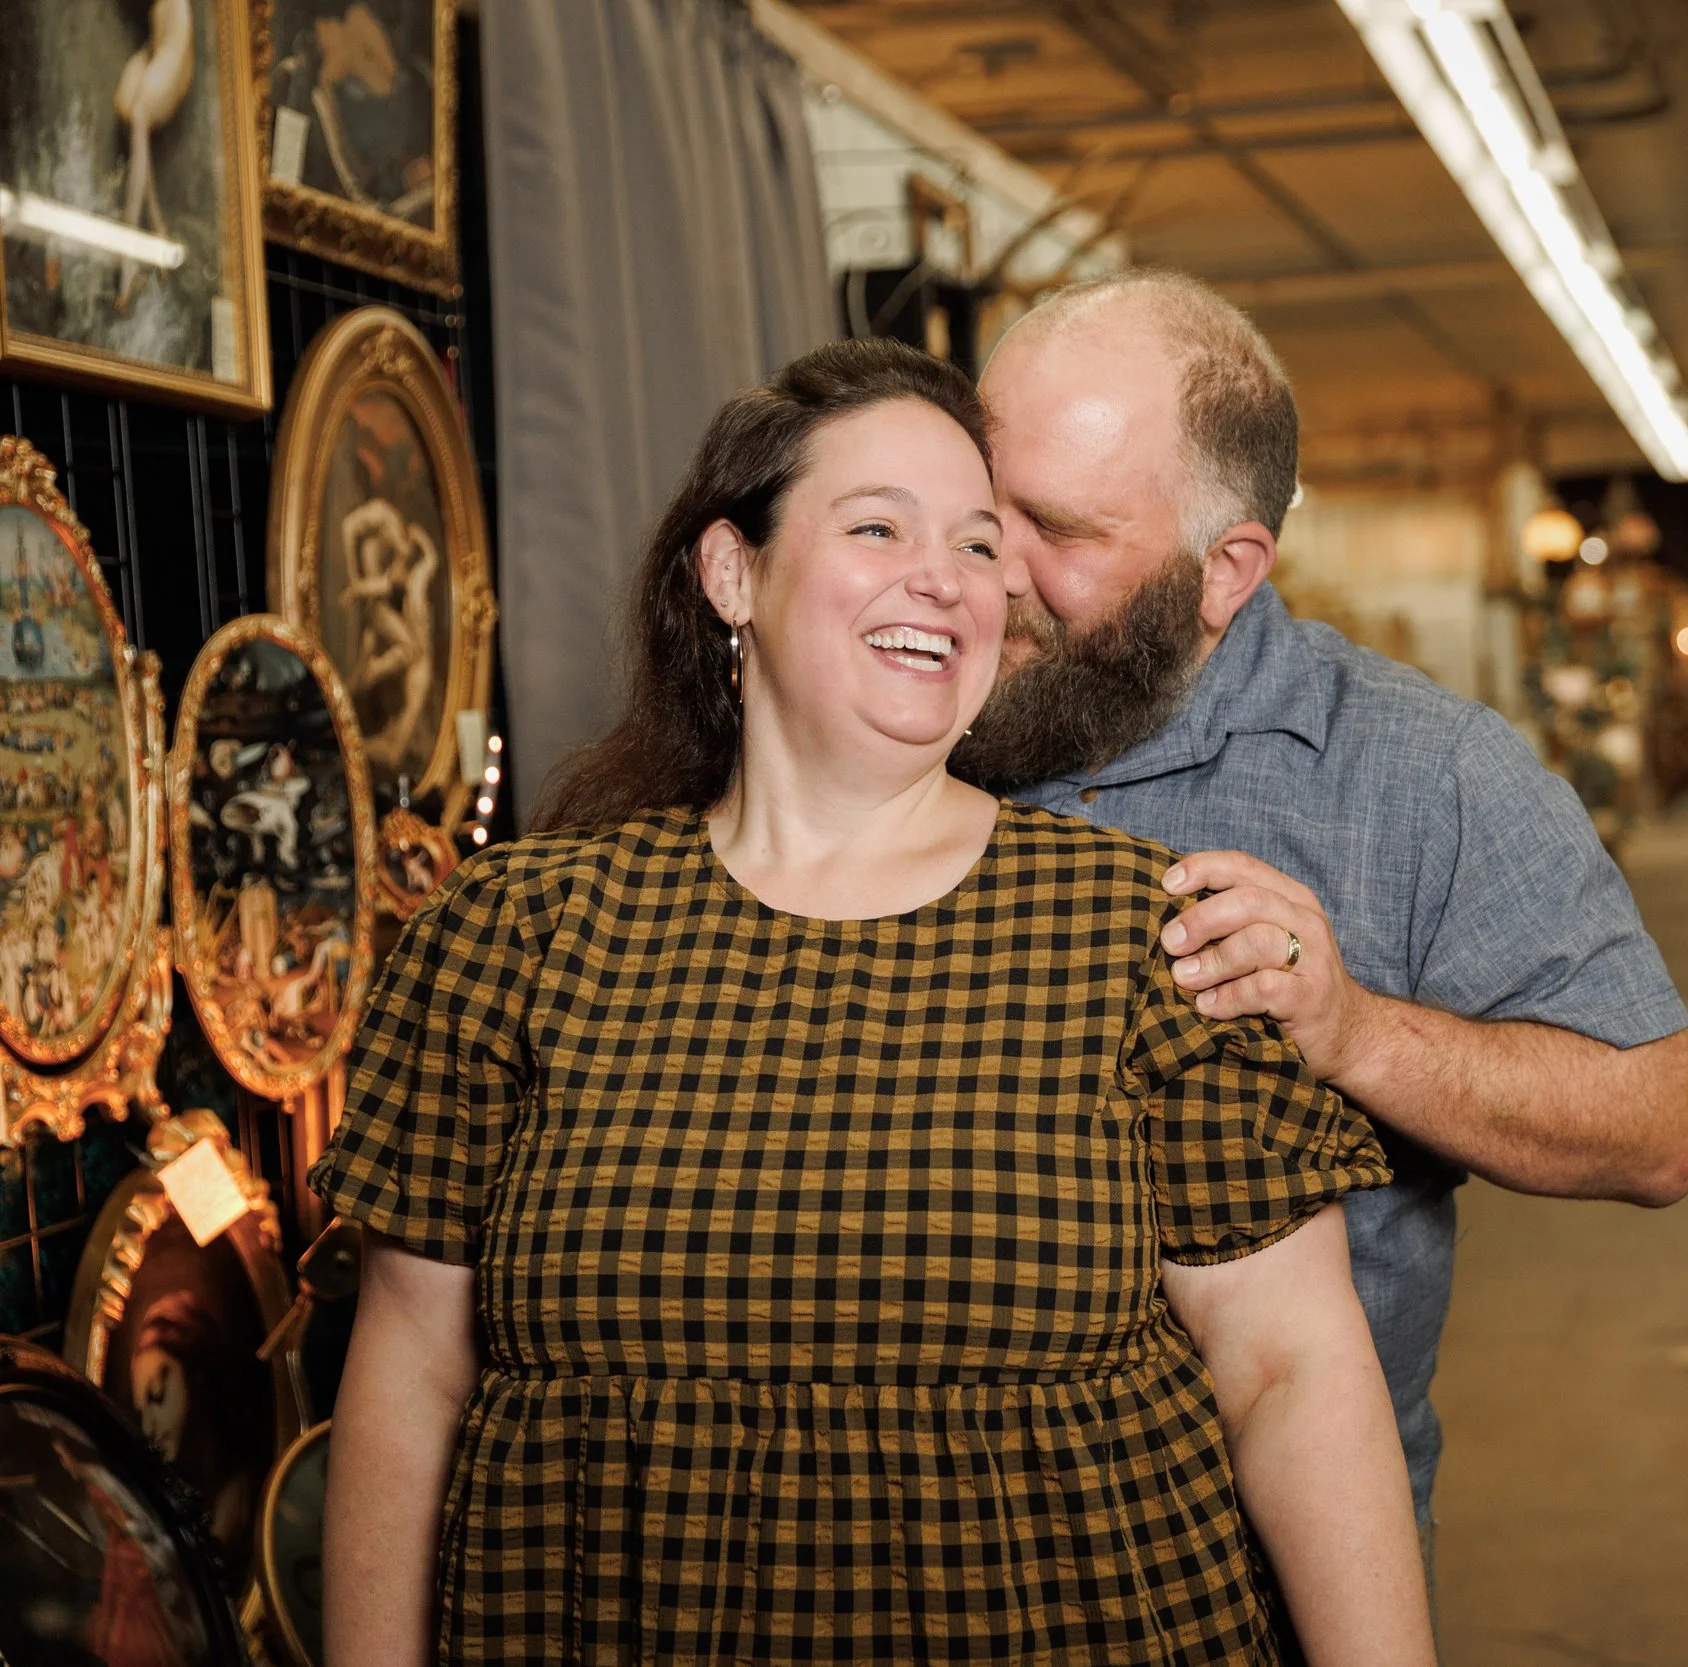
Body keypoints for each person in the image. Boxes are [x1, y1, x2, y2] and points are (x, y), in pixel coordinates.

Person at [312, 339, 1435, 1665]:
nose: (943, 580)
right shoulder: (514, 937)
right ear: (732, 571)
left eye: (976, 548)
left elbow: (1292, 1376)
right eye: (877, 526)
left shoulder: (1149, 935)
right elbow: (407, 1381)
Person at [952, 271, 1688, 1551]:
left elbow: (1659, 1125)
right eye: (982, 510)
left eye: (1061, 531)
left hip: (1261, 1551)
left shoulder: (1424, 772)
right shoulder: (917, 706)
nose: (992, 573)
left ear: (1224, 569)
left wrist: (1355, 1031)